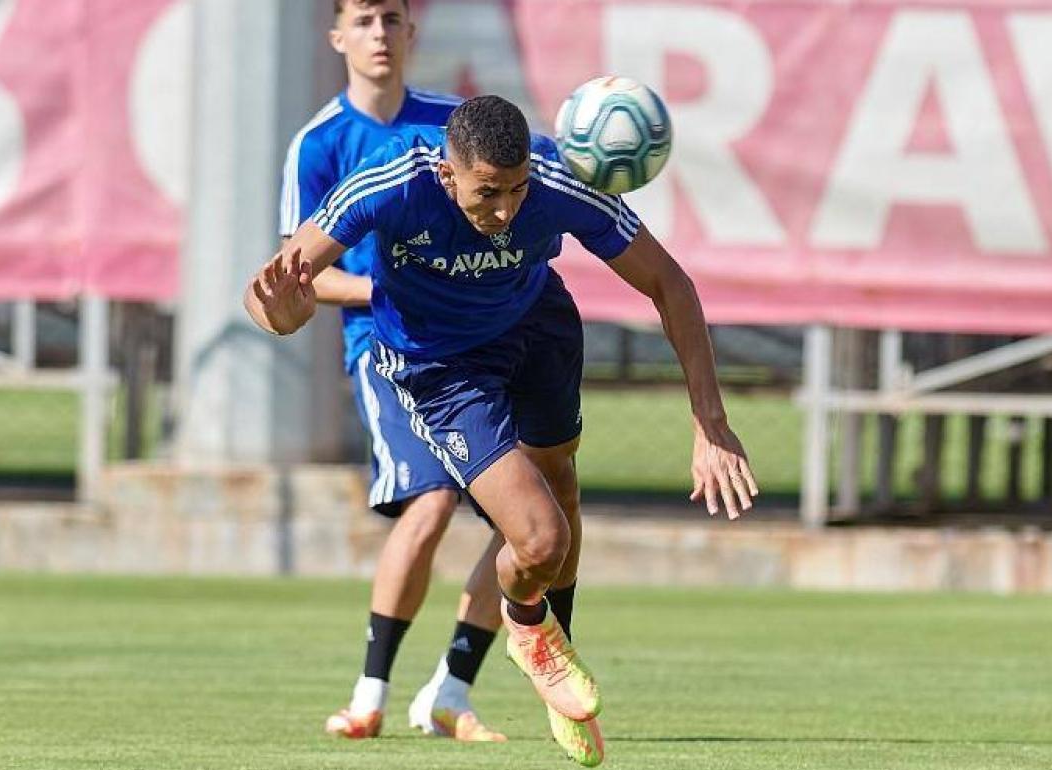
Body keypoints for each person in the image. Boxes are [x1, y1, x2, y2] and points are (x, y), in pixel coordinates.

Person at [249, 95, 758, 766]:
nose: (506, 210)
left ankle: (557, 674)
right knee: (542, 539)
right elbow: (273, 295)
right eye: (487, 193)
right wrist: (282, 314)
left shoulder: (555, 182)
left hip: (535, 326)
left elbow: (668, 281)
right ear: (448, 174)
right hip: (440, 367)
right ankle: (529, 631)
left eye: (515, 190)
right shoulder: (389, 181)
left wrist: (710, 424)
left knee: (563, 491)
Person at [279, 0, 504, 744]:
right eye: (364, 19)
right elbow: (296, 277)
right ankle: (370, 693)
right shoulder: (320, 143)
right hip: (384, 346)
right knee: (432, 499)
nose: (380, 34)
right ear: (337, 35)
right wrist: (390, 289)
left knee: (534, 525)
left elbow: (507, 203)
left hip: (472, 344)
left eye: (392, 18)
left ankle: (452, 692)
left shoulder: (452, 127)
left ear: (414, 31)